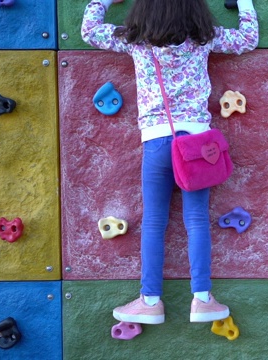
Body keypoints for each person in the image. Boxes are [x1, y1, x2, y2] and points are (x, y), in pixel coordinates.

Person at [81, 0, 258, 324]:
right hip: (199, 145)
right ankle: (202, 299)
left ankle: (150, 301)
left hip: (158, 141)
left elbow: (89, 31)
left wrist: (104, 1)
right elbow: (248, 39)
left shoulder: (133, 39)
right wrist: (244, 3)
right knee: (196, 220)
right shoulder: (204, 38)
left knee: (153, 222)